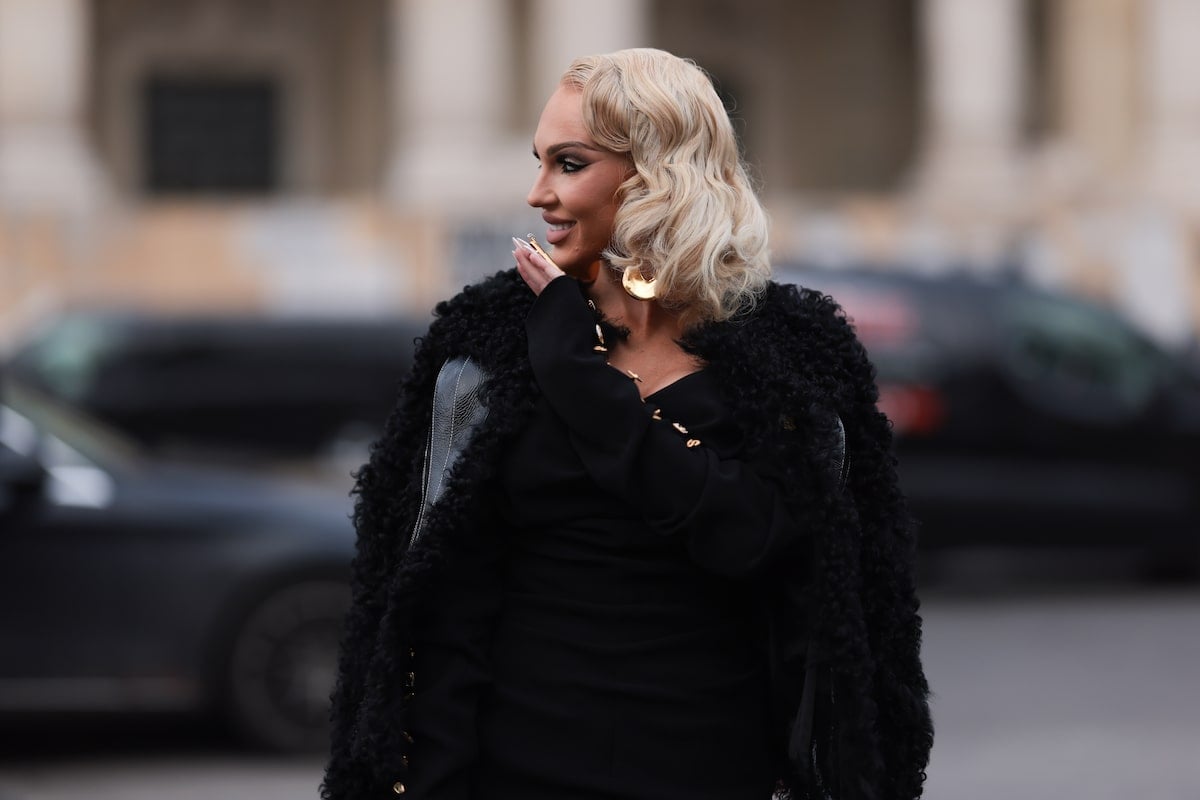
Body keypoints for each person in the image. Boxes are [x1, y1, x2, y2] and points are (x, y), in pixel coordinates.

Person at [322, 48, 932, 800]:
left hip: (711, 773)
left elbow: (755, 541)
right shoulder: (489, 342)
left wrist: (582, 379)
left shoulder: (788, 355)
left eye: (569, 164)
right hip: (512, 777)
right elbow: (442, 601)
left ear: (655, 173)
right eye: (539, 162)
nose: (538, 193)